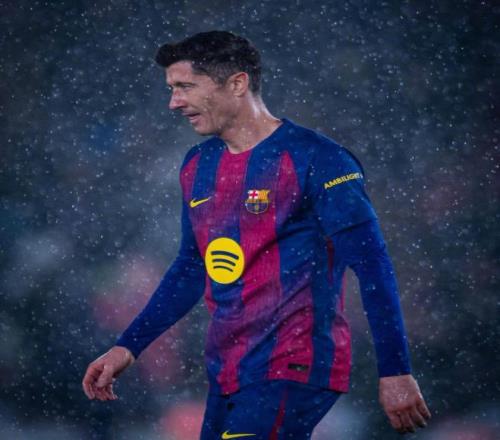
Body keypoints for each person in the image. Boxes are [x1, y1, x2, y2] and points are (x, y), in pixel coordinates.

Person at [82, 30, 431, 439]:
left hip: (294, 363)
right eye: (172, 89)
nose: (174, 102)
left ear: (237, 84)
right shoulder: (197, 165)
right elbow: (192, 268)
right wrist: (128, 346)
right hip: (228, 371)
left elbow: (372, 266)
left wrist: (395, 370)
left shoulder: (319, 159)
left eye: (185, 87)